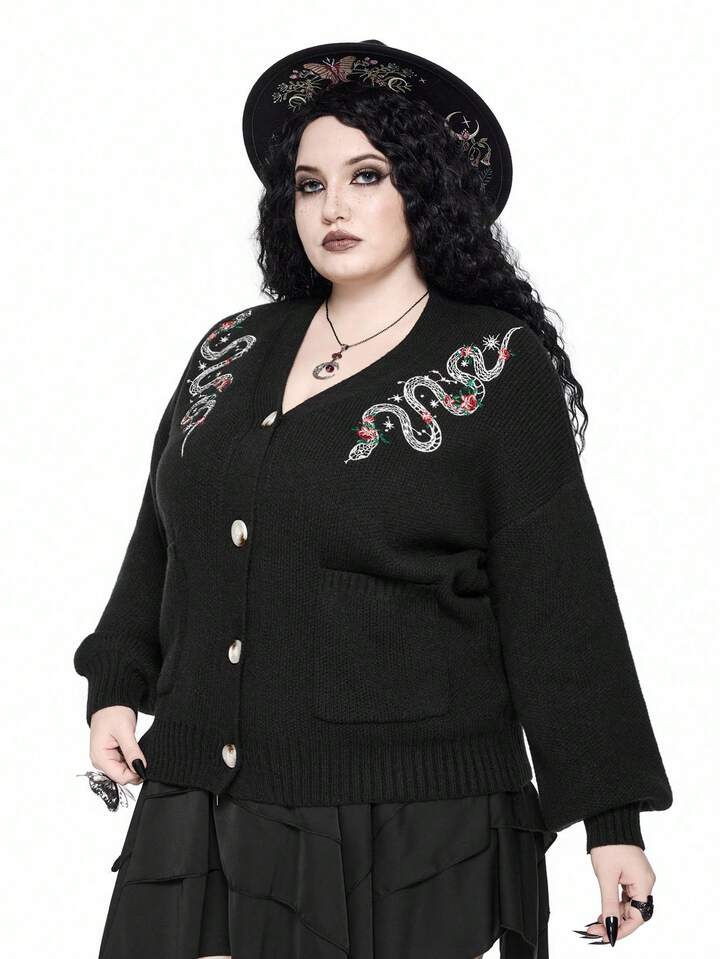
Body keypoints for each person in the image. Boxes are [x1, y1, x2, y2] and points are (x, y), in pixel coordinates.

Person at [73, 39, 672, 959]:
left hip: (405, 818)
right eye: (310, 185)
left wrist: (611, 818)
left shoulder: (493, 363)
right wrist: (116, 685)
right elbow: (165, 537)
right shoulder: (232, 346)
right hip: (198, 795)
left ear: (424, 192)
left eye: (367, 176)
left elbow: (560, 600)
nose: (334, 207)